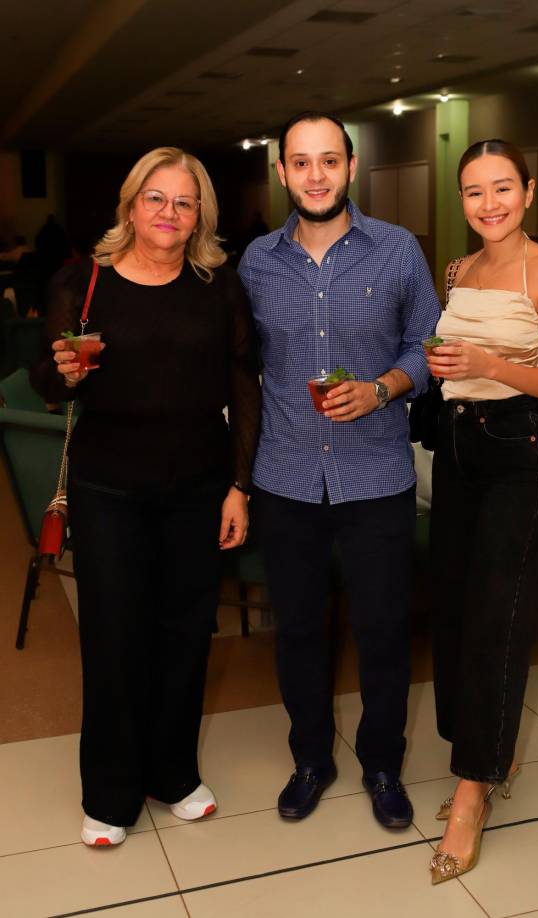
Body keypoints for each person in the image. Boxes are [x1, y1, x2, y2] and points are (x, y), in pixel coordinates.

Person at [31, 147, 261, 847]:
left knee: (187, 633)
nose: (169, 213)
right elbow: (46, 378)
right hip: (108, 489)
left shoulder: (218, 287)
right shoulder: (84, 282)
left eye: (184, 202)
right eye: (155, 198)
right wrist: (65, 372)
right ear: (131, 206)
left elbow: (245, 386)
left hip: (197, 486)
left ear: (200, 218)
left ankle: (174, 774)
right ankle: (108, 791)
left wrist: (239, 486)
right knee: (114, 636)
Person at [238, 111, 440, 828]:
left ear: (352, 168)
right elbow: (237, 362)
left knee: (383, 630)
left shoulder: (397, 251)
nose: (315, 175)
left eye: (329, 160)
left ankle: (382, 762)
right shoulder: (257, 261)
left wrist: (385, 386)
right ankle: (311, 760)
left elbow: (428, 343)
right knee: (296, 630)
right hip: (286, 476)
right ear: (283, 171)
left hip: (375, 475)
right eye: (300, 162)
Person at [425, 139, 538, 883]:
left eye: (501, 188)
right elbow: (454, 351)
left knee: (499, 613)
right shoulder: (459, 270)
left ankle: (471, 792)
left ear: (529, 191)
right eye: (471, 191)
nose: (487, 204)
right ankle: (484, 747)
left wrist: (490, 366)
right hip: (460, 450)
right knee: (454, 608)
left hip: (520, 452)